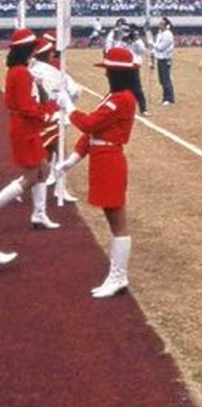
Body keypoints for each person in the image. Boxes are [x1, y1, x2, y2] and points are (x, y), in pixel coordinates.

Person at [54, 47, 139, 298]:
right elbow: (92, 134)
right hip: (102, 160)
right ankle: (116, 276)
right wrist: (71, 160)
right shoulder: (113, 96)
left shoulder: (123, 98)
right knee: (112, 219)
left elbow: (89, 124)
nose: (106, 75)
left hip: (110, 161)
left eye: (109, 71)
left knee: (117, 221)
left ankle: (119, 276)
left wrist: (69, 107)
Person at [0, 29, 60, 230]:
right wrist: (45, 112)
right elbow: (26, 106)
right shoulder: (21, 73)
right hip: (24, 129)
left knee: (44, 169)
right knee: (31, 177)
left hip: (25, 128)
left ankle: (39, 214)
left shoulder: (17, 71)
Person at [30, 36, 82, 204]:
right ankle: (59, 189)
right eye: (51, 51)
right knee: (59, 154)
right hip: (55, 117)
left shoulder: (32, 70)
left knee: (47, 153)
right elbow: (74, 91)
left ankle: (44, 189)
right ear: (47, 54)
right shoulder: (54, 71)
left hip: (40, 117)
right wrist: (69, 103)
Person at [151, 16, 175, 105]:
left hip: (165, 59)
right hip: (160, 58)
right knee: (162, 79)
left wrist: (152, 44)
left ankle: (169, 98)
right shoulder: (160, 34)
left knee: (166, 79)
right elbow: (157, 46)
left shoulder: (168, 34)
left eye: (161, 24)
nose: (159, 25)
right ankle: (165, 97)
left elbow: (161, 47)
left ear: (166, 25)